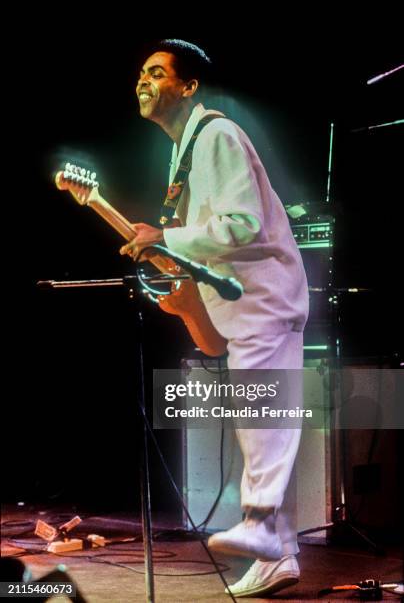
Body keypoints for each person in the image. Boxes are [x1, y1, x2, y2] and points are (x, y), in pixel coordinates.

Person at [120, 39, 309, 598]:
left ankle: (263, 531)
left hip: (263, 302)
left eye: (156, 72)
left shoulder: (218, 135)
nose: (143, 81)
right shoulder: (184, 150)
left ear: (189, 86)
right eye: (140, 74)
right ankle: (281, 554)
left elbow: (243, 223)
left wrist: (167, 238)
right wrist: (173, 264)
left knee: (263, 430)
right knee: (262, 431)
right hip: (244, 306)